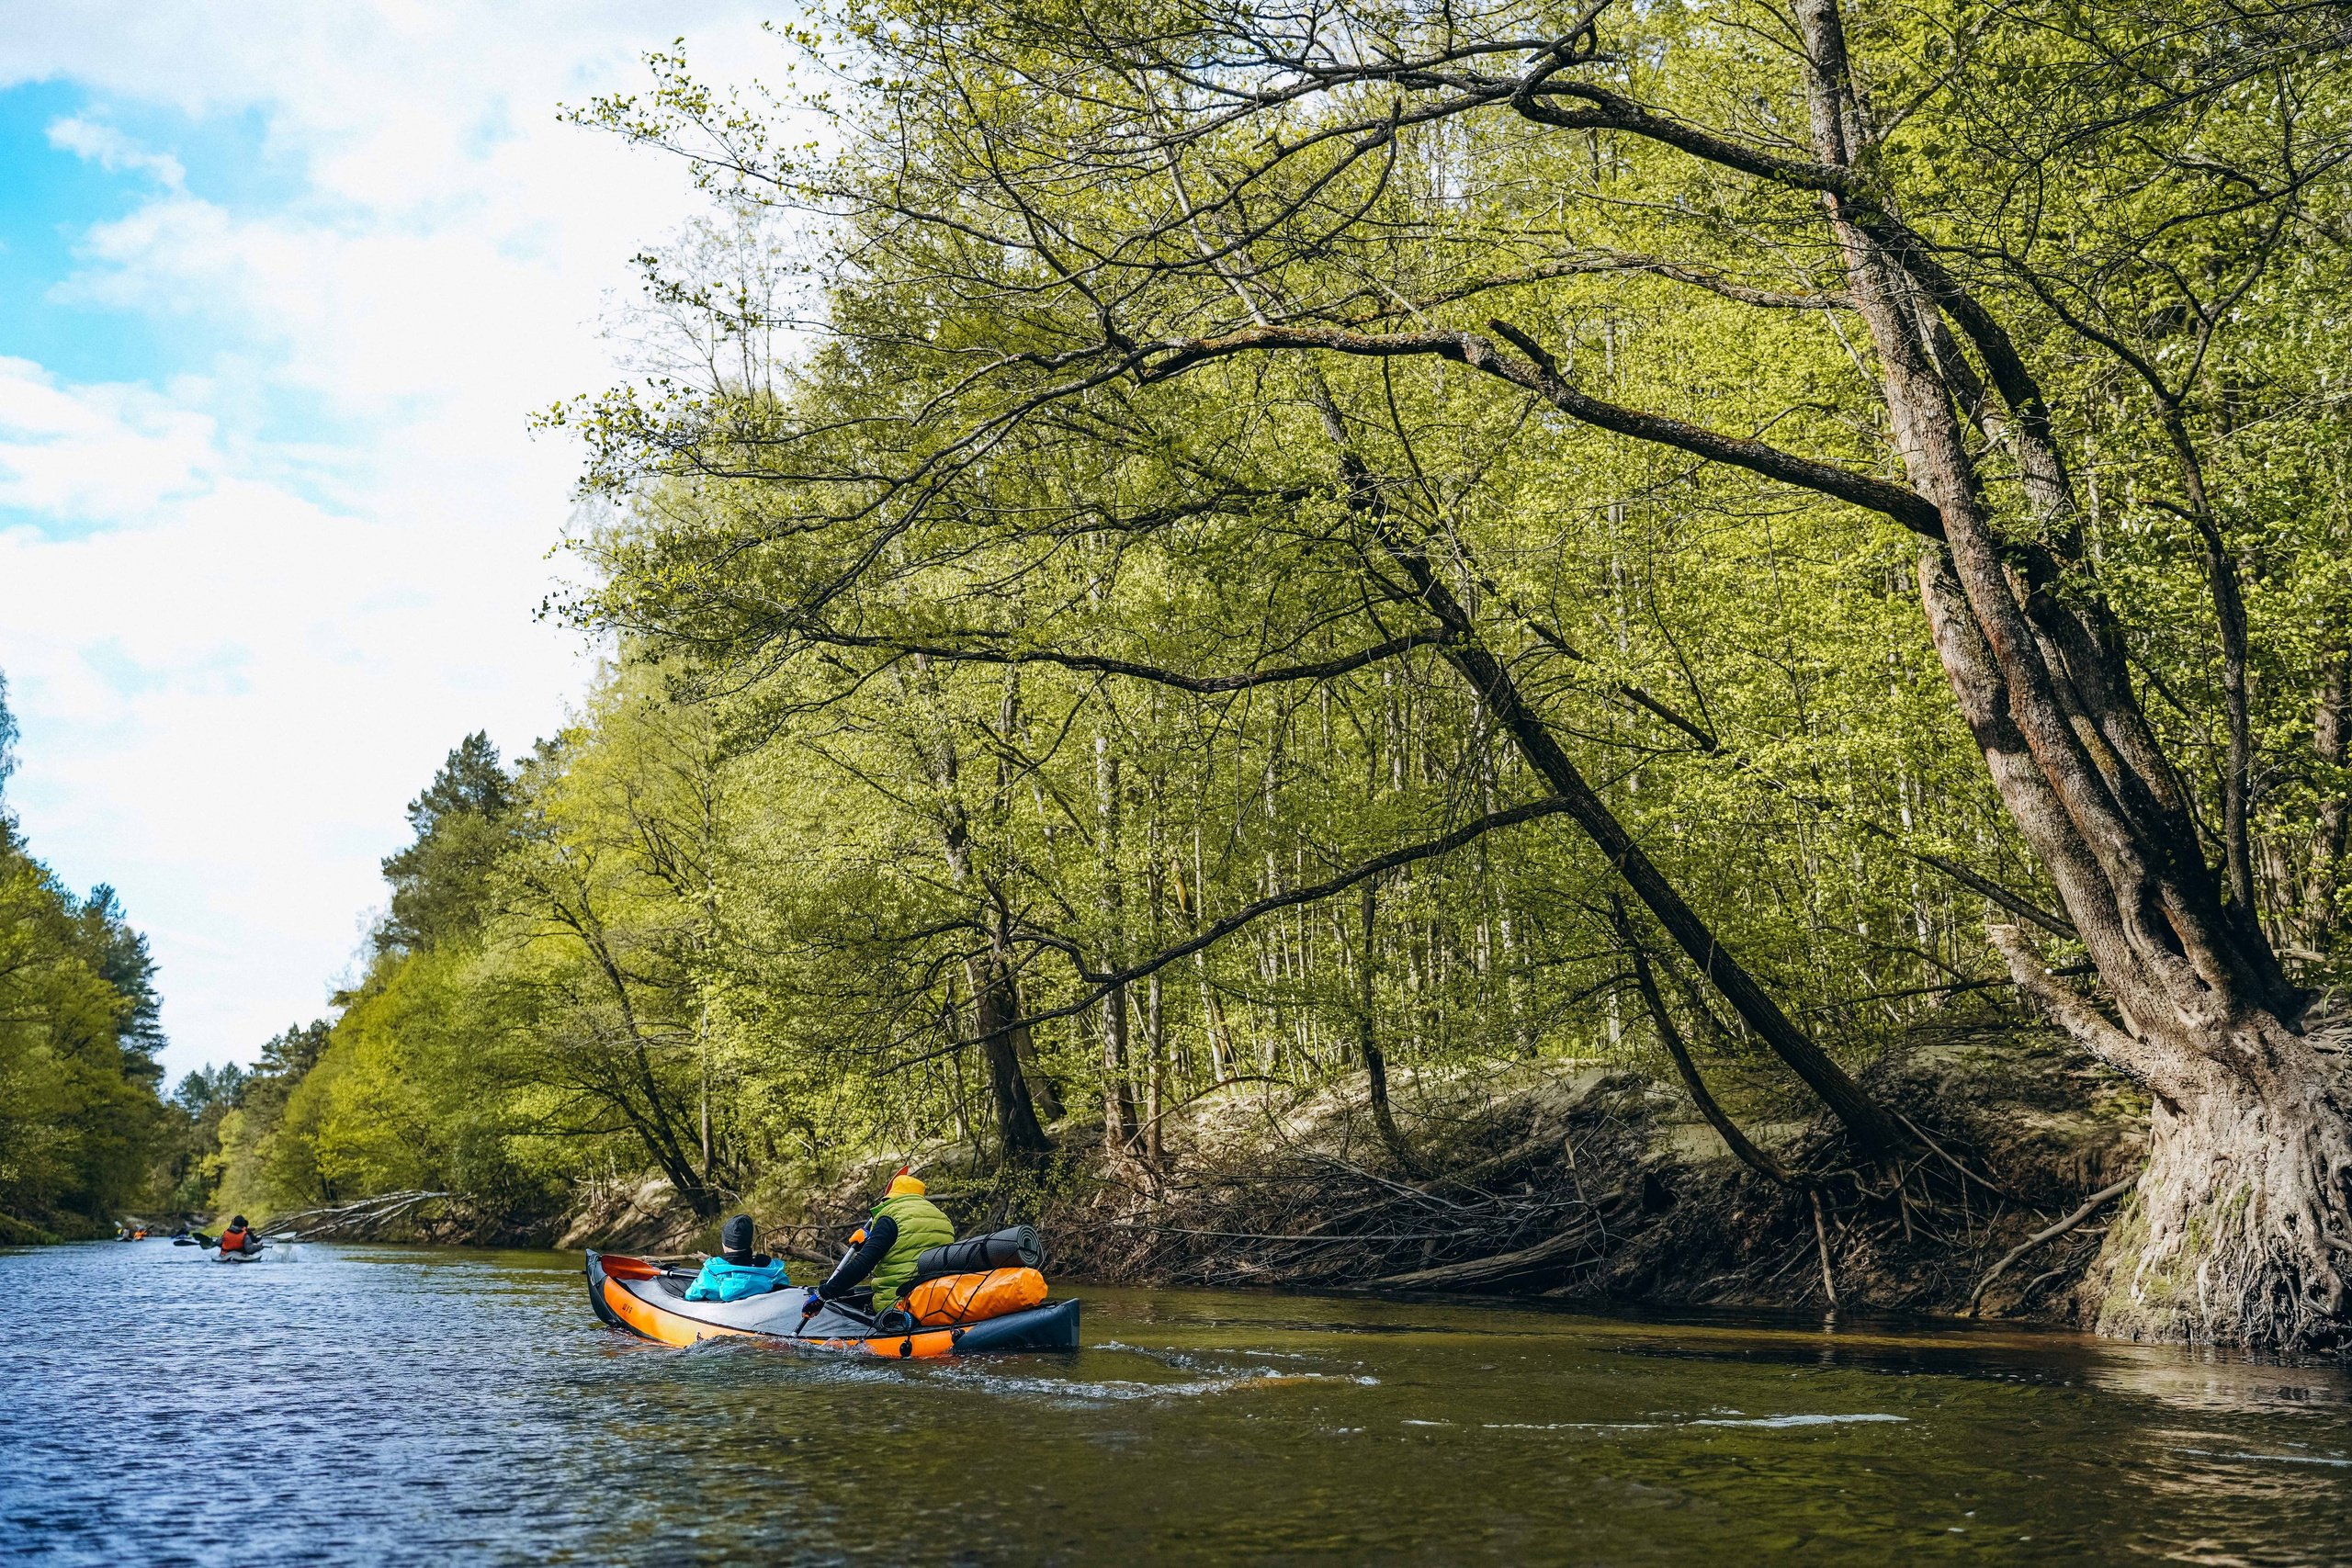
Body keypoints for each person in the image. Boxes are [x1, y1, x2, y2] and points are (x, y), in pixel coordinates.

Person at [800, 1169, 956, 1317]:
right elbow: (911, 1245)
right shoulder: (944, 1220)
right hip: (935, 1302)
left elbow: (862, 1265)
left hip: (896, 1306)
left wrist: (823, 1294)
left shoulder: (890, 1218)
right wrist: (871, 1239)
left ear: (891, 1197)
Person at [684, 1215, 792, 1303]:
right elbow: (783, 1284)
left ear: (724, 1243)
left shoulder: (712, 1270)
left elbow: (691, 1294)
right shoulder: (769, 1266)